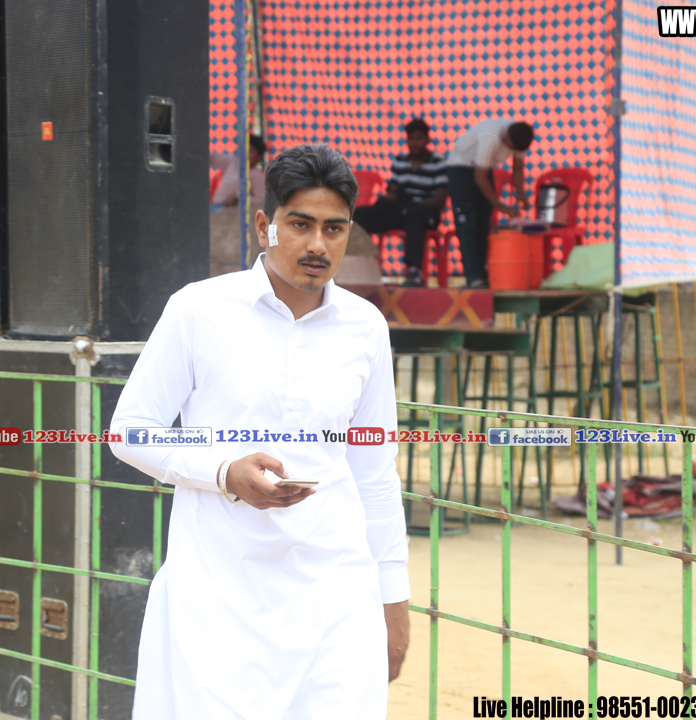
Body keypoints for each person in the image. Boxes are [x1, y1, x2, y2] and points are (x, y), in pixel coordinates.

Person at [110, 143, 410, 719]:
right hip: (221, 594)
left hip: (336, 593)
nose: (317, 244)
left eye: (334, 229)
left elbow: (374, 470)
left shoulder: (365, 326)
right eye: (300, 224)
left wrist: (392, 599)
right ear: (263, 225)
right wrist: (224, 472)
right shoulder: (199, 310)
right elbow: (131, 430)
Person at [353, 117, 449, 287]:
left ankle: (415, 272)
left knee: (413, 214)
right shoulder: (400, 160)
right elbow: (394, 187)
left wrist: (415, 205)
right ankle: (360, 266)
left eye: (419, 138)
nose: (415, 143)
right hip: (401, 210)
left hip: (425, 214)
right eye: (411, 139)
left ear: (427, 140)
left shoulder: (438, 162)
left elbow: (440, 199)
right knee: (361, 215)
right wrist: (392, 195)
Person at [446, 119, 535, 288]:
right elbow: (480, 178)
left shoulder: (520, 138)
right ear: (507, 135)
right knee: (468, 223)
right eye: (511, 147)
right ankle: (473, 277)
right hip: (461, 167)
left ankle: (483, 273)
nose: (512, 151)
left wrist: (521, 194)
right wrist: (499, 205)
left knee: (483, 223)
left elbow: (517, 169)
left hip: (483, 168)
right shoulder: (491, 137)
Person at [211, 134, 266, 211]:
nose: (245, 153)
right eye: (243, 149)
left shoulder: (257, 175)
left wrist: (239, 197)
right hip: (214, 206)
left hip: (229, 212)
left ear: (259, 157)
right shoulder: (233, 163)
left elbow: (261, 200)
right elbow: (212, 158)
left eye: (250, 150)